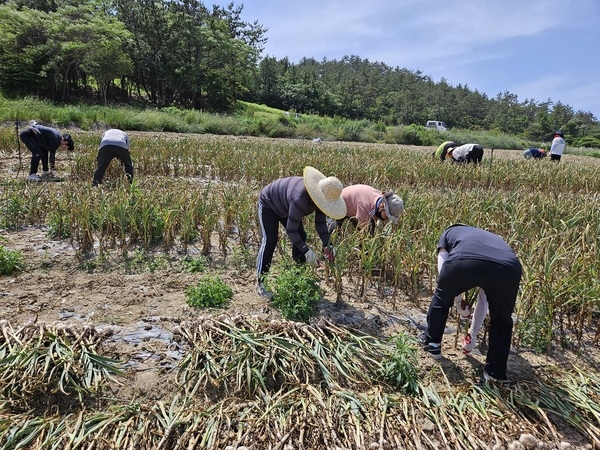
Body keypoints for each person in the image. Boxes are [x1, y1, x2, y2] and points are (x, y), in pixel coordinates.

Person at [420, 224, 522, 383]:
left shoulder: (448, 233)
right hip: (508, 268)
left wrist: (458, 301)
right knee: (502, 319)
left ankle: (432, 343)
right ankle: (495, 372)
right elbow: (484, 301)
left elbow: (444, 278)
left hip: (466, 260)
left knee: (441, 298)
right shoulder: (493, 240)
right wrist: (472, 335)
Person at [255, 166, 347, 299]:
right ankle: (260, 282)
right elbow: (291, 230)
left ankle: (298, 276)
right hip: (269, 204)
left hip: (286, 206)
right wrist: (307, 251)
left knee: (302, 236)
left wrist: (329, 245)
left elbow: (320, 224)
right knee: (270, 241)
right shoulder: (300, 198)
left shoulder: (321, 199)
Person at [332, 184, 404, 235]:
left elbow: (373, 215)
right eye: (387, 216)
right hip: (339, 204)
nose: (386, 219)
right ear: (382, 206)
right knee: (334, 230)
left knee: (370, 227)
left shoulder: (378, 199)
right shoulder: (365, 207)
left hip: (354, 203)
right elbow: (364, 231)